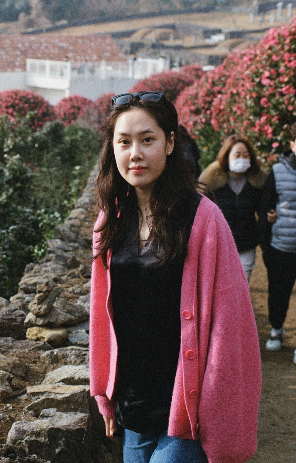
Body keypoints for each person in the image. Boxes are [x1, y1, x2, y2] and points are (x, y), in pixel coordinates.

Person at [89, 91, 261, 463]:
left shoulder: (203, 219)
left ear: (170, 143)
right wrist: (105, 395)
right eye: (124, 142)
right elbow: (102, 317)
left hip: (187, 409)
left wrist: (220, 414)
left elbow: (231, 325)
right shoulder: (111, 219)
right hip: (134, 408)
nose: (135, 153)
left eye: (147, 140)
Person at [198, 135, 267, 281]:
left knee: (242, 284)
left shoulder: (257, 183)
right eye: (237, 155)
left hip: (246, 244)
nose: (242, 158)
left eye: (246, 155)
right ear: (227, 156)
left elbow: (264, 208)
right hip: (218, 244)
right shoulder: (211, 182)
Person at [259, 128, 296, 361]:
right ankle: (276, 329)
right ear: (292, 144)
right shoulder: (277, 171)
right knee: (278, 291)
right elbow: (266, 206)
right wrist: (266, 245)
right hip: (281, 245)